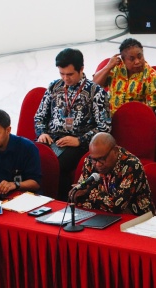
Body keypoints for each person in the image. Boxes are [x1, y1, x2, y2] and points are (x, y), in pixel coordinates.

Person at [35, 48, 111, 200]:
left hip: (78, 144)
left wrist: (79, 140)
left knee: (57, 166)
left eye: (69, 74)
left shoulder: (96, 92)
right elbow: (39, 116)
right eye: (62, 74)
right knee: (31, 156)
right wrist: (42, 133)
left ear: (81, 69)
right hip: (52, 139)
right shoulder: (54, 87)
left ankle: (60, 203)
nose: (65, 79)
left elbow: (105, 128)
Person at [73, 132, 155, 216]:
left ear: (115, 151)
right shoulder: (90, 161)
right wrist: (83, 194)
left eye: (102, 159)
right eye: (94, 159)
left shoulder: (132, 165)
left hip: (135, 220)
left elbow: (116, 206)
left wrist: (88, 192)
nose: (97, 164)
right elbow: (77, 196)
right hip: (102, 216)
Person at [92, 38, 156, 115]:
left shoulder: (151, 76)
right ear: (123, 60)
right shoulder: (116, 67)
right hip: (108, 118)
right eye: (132, 59)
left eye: (139, 56)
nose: (137, 61)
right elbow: (94, 86)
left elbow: (149, 110)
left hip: (133, 120)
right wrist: (108, 66)